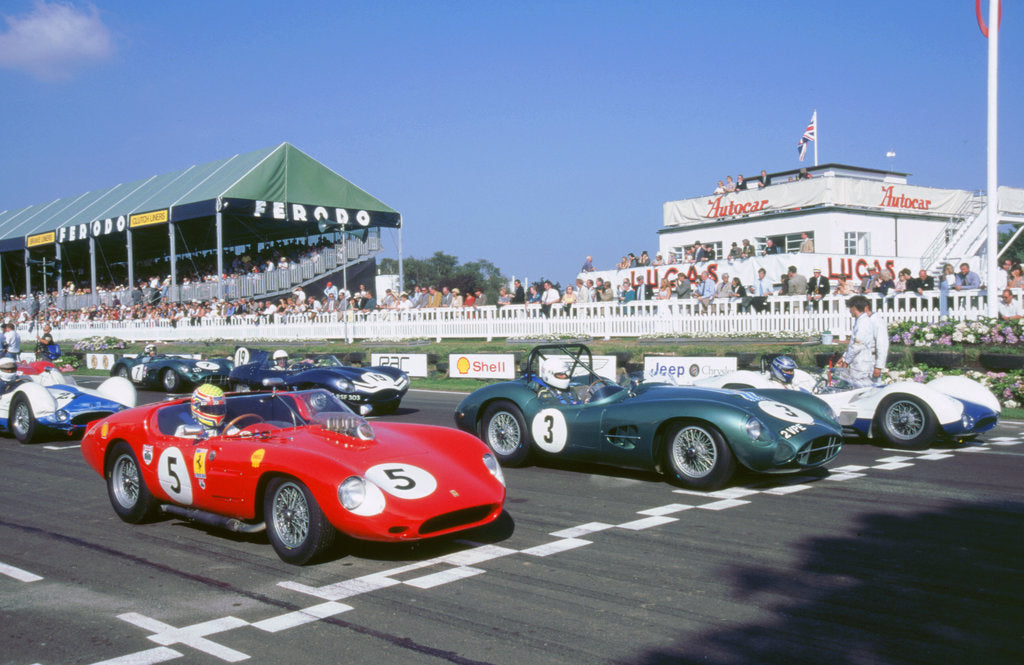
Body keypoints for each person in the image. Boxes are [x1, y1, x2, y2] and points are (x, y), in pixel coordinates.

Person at [835, 295, 886, 387]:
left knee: (864, 389)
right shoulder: (861, 321)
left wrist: (879, 366)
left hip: (865, 362)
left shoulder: (868, 322)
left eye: (850, 308)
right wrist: (844, 357)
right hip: (860, 360)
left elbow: (881, 345)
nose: (850, 311)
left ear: (854, 308)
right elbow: (854, 343)